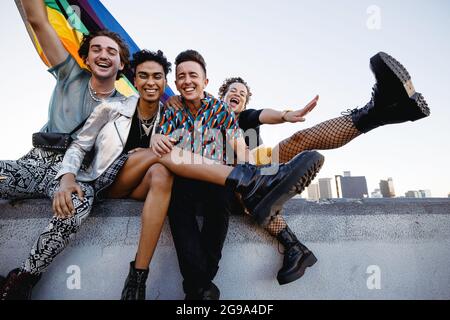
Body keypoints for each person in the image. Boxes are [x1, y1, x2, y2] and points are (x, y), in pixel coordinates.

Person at [165, 51, 430, 286]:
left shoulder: (245, 119)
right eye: (232, 91)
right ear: (218, 94)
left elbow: (264, 114)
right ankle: (293, 245)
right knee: (250, 188)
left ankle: (378, 111)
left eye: (243, 94)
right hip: (221, 190)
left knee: (296, 141)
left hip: (256, 176)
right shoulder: (199, 112)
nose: (237, 94)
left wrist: (284, 115)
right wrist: (175, 99)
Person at [147, 49, 324, 300]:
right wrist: (159, 137)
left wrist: (253, 171)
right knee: (176, 204)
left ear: (205, 81)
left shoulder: (221, 110)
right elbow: (163, 141)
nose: (187, 80)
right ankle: (202, 284)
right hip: (184, 178)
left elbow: (240, 144)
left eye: (193, 75)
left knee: (222, 200)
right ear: (175, 83)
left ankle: (198, 287)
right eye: (182, 76)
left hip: (218, 178)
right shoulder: (172, 109)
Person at [0, 0, 130, 299]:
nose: (104, 55)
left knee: (77, 206)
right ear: (85, 57)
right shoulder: (69, 72)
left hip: (76, 177)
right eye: (97, 48)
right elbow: (38, 20)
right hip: (35, 164)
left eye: (112, 51)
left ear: (121, 64)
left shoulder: (124, 112)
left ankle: (23, 279)